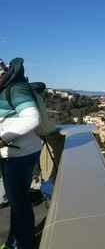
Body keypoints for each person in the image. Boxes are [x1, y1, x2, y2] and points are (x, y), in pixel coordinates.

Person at [0, 57, 43, 249]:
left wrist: (2, 137)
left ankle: (25, 244)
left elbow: (32, 118)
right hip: (17, 153)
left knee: (20, 206)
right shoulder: (7, 86)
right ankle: (13, 242)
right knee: (17, 202)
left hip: (19, 156)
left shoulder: (15, 88)